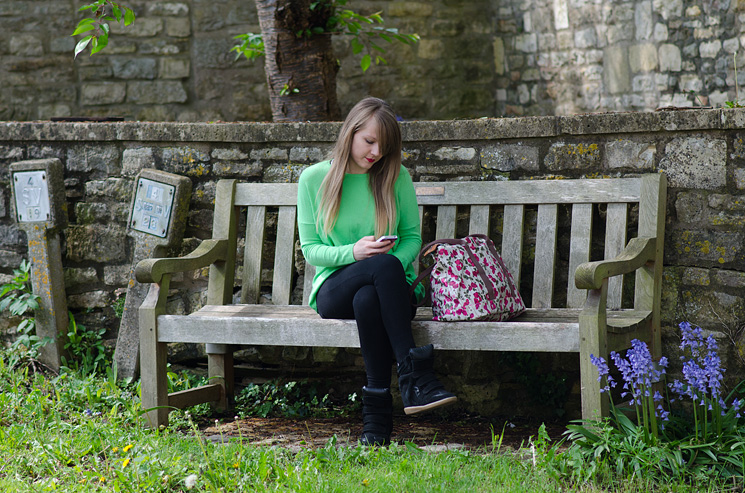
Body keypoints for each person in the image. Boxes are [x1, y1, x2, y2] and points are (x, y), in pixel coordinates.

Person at [297, 97, 457, 446]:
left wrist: (386, 267)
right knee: (377, 271)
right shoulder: (314, 179)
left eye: (383, 148)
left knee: (370, 297)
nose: (375, 153)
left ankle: (376, 424)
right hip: (334, 288)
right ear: (349, 132)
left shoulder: (395, 176)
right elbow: (311, 250)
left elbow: (413, 238)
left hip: (390, 292)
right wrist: (355, 252)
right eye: (369, 142)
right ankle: (414, 376)